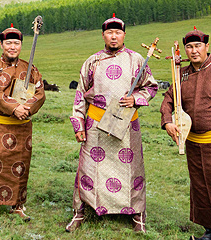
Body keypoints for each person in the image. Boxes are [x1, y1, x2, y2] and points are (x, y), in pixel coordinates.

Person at [66, 14, 158, 232]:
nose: (114, 36)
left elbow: (151, 87)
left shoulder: (136, 59)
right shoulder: (92, 61)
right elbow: (80, 95)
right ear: (103, 35)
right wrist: (79, 125)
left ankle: (137, 214)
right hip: (96, 125)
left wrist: (135, 98)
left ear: (124, 35)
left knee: (132, 169)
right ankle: (81, 211)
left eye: (118, 32)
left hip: (126, 125)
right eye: (109, 32)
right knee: (89, 169)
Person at [160, 29, 211, 240]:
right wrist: (167, 121)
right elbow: (168, 99)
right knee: (201, 188)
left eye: (198, 46)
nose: (193, 51)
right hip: (193, 145)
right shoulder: (181, 74)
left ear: (207, 47)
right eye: (189, 47)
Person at [0, 25, 45, 221]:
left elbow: (40, 93)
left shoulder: (31, 68)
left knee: (19, 166)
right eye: (8, 43)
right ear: (1, 44)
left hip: (22, 128)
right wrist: (14, 107)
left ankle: (17, 205)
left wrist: (26, 108)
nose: (12, 47)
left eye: (16, 43)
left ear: (21, 45)